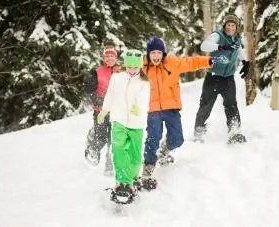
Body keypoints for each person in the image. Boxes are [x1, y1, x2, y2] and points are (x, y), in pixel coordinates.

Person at [141, 35, 215, 190]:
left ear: (163, 53)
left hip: (172, 107)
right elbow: (129, 68)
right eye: (152, 53)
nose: (156, 56)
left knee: (178, 139)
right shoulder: (144, 66)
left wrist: (208, 61)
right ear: (148, 54)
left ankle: (165, 150)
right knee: (152, 137)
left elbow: (191, 62)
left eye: (158, 53)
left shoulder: (172, 63)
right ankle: (148, 165)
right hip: (154, 109)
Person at [97, 49, 150, 204]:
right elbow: (110, 95)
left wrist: (138, 107)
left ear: (140, 66)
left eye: (135, 67)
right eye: (129, 66)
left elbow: (144, 99)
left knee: (134, 155)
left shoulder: (144, 82)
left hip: (136, 123)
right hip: (119, 119)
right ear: (125, 65)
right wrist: (104, 110)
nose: (132, 70)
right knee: (118, 148)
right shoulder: (116, 77)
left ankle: (133, 178)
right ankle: (122, 182)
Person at [193, 14, 249, 144]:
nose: (230, 28)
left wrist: (246, 62)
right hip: (213, 76)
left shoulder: (237, 39)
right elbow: (204, 46)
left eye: (233, 25)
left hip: (228, 78)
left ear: (236, 27)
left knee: (231, 104)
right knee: (206, 104)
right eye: (228, 25)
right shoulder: (218, 35)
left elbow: (239, 50)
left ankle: (234, 130)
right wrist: (220, 46)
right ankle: (199, 131)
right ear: (224, 26)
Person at [84, 42, 121, 173]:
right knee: (101, 137)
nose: (109, 58)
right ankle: (92, 142)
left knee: (114, 138)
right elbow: (90, 91)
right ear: (104, 59)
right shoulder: (97, 72)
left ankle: (110, 163)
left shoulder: (122, 71)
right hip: (100, 110)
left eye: (112, 56)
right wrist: (97, 99)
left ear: (116, 58)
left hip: (117, 111)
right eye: (107, 57)